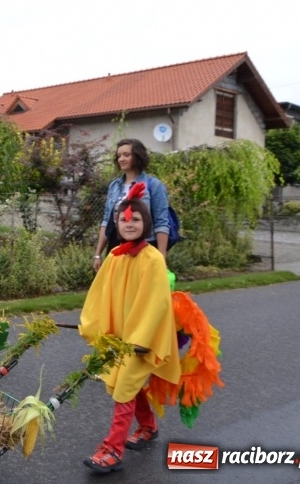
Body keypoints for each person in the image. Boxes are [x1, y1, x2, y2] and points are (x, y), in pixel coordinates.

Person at [79, 186, 181, 474]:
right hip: (121, 338)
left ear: (145, 223)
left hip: (142, 339)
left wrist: (139, 338)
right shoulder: (115, 255)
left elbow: (156, 303)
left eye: (136, 219)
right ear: (117, 224)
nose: (130, 224)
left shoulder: (153, 259)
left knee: (123, 388)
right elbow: (100, 294)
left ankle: (112, 450)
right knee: (126, 385)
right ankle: (148, 426)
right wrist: (94, 326)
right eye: (124, 220)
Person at [93, 138, 171, 272]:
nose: (121, 159)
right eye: (119, 156)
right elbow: (106, 220)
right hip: (116, 245)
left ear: (138, 156)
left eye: (126, 155)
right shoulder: (114, 186)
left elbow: (161, 222)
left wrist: (161, 256)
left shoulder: (153, 185)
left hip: (143, 246)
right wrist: (98, 254)